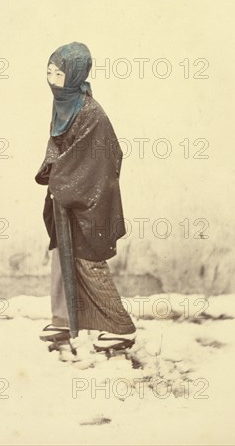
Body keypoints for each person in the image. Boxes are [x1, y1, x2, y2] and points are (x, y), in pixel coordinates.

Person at [34, 41, 136, 351]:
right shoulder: (64, 104)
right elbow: (59, 146)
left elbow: (102, 157)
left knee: (88, 261)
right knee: (61, 258)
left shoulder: (91, 113)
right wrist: (57, 172)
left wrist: (61, 177)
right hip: (68, 195)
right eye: (49, 72)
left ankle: (122, 327)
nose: (52, 79)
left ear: (76, 76)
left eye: (59, 73)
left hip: (90, 200)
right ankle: (64, 319)